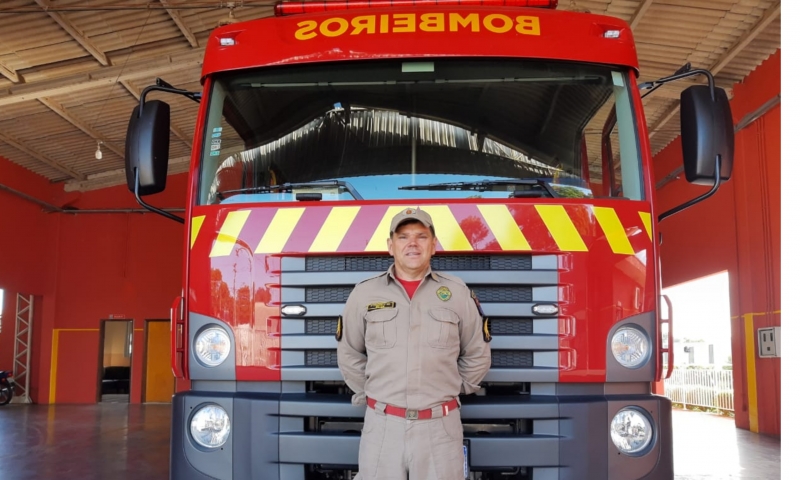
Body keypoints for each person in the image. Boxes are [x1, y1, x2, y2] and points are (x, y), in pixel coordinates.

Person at [337, 207, 492, 480]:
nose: (412, 243)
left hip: (440, 430)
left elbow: (477, 354)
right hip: (382, 427)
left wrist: (448, 389)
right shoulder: (364, 294)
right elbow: (349, 352)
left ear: (434, 245)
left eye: (421, 236)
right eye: (403, 236)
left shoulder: (457, 293)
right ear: (390, 246)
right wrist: (378, 394)